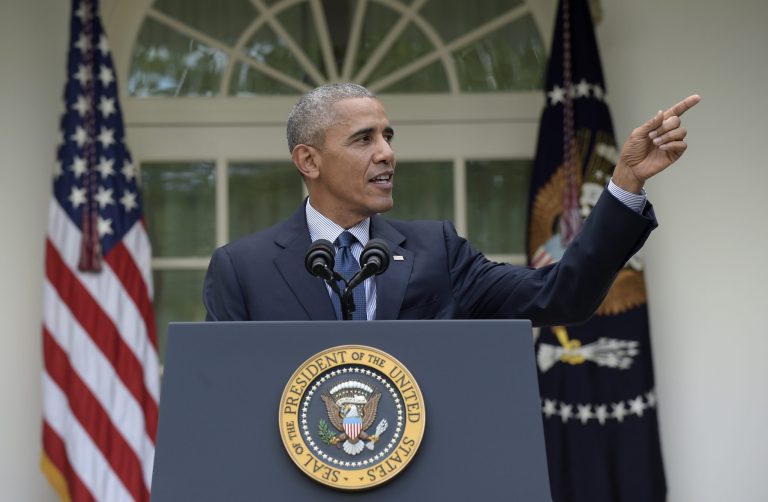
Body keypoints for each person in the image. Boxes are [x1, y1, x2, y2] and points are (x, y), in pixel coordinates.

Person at [203, 83, 699, 324]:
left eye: (388, 136)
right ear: (308, 161)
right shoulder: (242, 268)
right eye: (363, 139)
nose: (387, 153)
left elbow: (560, 296)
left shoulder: (435, 251)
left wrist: (624, 183)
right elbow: (222, 396)